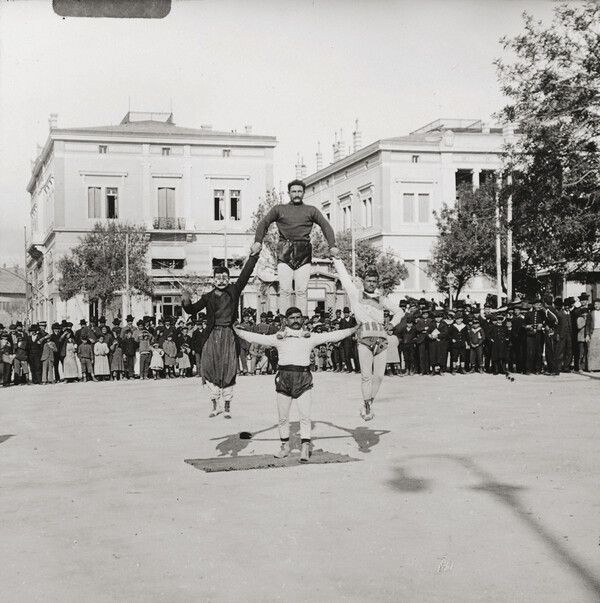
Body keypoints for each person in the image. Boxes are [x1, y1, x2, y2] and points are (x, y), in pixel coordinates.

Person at [234, 306, 358, 462]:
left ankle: (305, 448)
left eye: (298, 317)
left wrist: (354, 329)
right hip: (284, 377)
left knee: (305, 416)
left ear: (302, 319)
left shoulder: (310, 337)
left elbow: (332, 336)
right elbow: (256, 338)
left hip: (303, 377)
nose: (295, 321)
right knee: (283, 417)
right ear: (286, 320)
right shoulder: (279, 337)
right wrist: (238, 331)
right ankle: (285, 447)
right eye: (292, 318)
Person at [181, 247, 260, 419]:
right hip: (211, 336)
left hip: (229, 335)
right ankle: (214, 404)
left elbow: (246, 273)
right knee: (209, 368)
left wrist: (254, 256)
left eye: (225, 278)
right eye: (218, 278)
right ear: (213, 280)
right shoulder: (207, 296)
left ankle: (227, 405)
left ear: (229, 279)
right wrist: (186, 301)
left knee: (229, 368)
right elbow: (192, 309)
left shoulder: (234, 291)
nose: (222, 280)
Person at [331, 257, 403, 420]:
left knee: (379, 376)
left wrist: (392, 324)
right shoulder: (355, 294)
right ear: (363, 281)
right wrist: (336, 258)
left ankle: (367, 404)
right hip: (364, 338)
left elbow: (399, 311)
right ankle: (368, 406)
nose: (371, 283)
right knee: (366, 375)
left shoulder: (381, 299)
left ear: (377, 283)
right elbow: (343, 275)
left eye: (374, 281)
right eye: (369, 280)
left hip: (382, 339)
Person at [252, 179, 339, 315]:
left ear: (303, 193)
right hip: (284, 252)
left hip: (303, 252)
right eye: (294, 192)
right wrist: (258, 242)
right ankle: (284, 321)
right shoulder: (279, 209)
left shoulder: (311, 210)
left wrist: (332, 245)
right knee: (285, 290)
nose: (297, 194)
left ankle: (301, 321)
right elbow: (264, 223)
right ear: (289, 193)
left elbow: (325, 226)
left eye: (299, 191)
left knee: (301, 290)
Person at [585, 298, 600, 371]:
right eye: (595, 304)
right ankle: (592, 367)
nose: (597, 306)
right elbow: (587, 324)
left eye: (598, 304)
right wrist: (587, 334)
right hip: (593, 332)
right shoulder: (591, 313)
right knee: (592, 350)